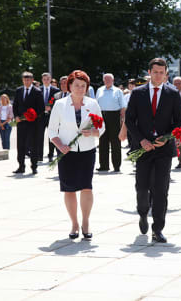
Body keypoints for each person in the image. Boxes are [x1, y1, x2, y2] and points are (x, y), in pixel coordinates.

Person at [126, 58, 181, 243]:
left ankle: (157, 229)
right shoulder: (138, 93)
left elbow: (179, 122)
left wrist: (166, 138)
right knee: (142, 188)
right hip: (143, 149)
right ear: (149, 72)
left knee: (161, 190)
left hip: (163, 150)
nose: (158, 75)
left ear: (166, 74)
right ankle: (143, 213)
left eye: (162, 72)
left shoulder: (173, 94)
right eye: (155, 72)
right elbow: (129, 121)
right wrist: (141, 140)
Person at [48, 70, 105, 240]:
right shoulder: (60, 104)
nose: (80, 89)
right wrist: (60, 145)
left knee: (87, 186)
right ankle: (74, 223)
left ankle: (85, 222)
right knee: (69, 188)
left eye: (83, 86)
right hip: (67, 152)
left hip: (87, 150)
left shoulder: (93, 103)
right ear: (69, 86)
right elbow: (51, 130)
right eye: (76, 85)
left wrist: (93, 132)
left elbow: (101, 128)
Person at [12, 71, 44, 175]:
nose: (26, 81)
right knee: (20, 145)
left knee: (33, 145)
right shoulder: (19, 90)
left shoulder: (37, 91)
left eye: (28, 79)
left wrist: (31, 116)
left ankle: (34, 166)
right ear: (22, 80)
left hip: (33, 123)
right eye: (25, 79)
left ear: (32, 80)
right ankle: (21, 166)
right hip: (20, 123)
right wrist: (16, 116)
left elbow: (41, 109)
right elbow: (15, 105)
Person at [96, 73, 125, 172]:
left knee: (115, 142)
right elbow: (96, 105)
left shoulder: (118, 91)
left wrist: (122, 121)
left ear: (113, 81)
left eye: (109, 80)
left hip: (114, 116)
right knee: (102, 142)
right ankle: (104, 165)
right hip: (102, 116)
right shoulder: (99, 90)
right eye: (105, 80)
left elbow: (123, 107)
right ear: (103, 80)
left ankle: (116, 166)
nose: (107, 81)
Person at [37, 72, 59, 161]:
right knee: (39, 136)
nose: (46, 81)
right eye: (44, 79)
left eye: (47, 79)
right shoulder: (38, 90)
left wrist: (51, 106)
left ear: (50, 80)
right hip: (41, 116)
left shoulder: (56, 90)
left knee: (52, 136)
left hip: (52, 116)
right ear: (42, 80)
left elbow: (57, 103)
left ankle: (51, 155)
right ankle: (39, 156)